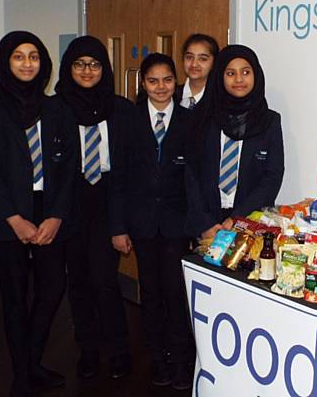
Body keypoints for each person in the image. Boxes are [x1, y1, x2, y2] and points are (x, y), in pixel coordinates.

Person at [0, 31, 77, 397]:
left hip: (49, 211)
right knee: (14, 296)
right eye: (19, 56)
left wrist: (56, 215)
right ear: (5, 61)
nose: (28, 63)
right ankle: (21, 374)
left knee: (52, 288)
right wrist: (14, 218)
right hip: (7, 215)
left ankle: (31, 361)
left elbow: (69, 168)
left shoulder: (57, 108)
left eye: (34, 56)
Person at [109, 53, 195, 390]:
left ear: (177, 82)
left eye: (167, 80)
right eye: (153, 80)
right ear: (142, 83)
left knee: (175, 291)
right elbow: (118, 178)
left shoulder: (190, 122)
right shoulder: (127, 122)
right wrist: (118, 227)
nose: (161, 87)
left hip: (177, 223)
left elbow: (195, 178)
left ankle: (182, 359)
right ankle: (159, 358)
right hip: (141, 222)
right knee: (152, 292)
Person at [54, 36, 132, 380]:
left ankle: (118, 351)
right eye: (79, 64)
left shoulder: (122, 109)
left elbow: (133, 166)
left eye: (95, 64)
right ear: (69, 68)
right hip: (68, 204)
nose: (87, 71)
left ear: (106, 68)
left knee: (104, 281)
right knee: (79, 281)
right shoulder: (55, 109)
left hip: (108, 200)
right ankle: (87, 349)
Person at [189, 44, 284, 239]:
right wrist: (205, 223)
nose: (239, 79)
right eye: (231, 73)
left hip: (249, 221)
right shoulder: (202, 117)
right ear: (220, 77)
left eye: (246, 72)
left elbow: (272, 177)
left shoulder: (269, 121)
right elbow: (191, 174)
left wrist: (237, 218)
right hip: (207, 223)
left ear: (256, 75)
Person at [176, 33, 219, 110]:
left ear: (214, 62)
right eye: (189, 57)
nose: (194, 64)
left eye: (202, 59)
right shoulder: (171, 95)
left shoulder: (219, 99)